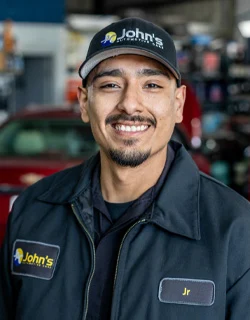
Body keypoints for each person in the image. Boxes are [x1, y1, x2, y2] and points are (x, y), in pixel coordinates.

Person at [1, 17, 250, 320]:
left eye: (152, 85)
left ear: (178, 103)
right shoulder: (33, 210)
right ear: (83, 102)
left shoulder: (235, 230)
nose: (130, 104)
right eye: (110, 85)